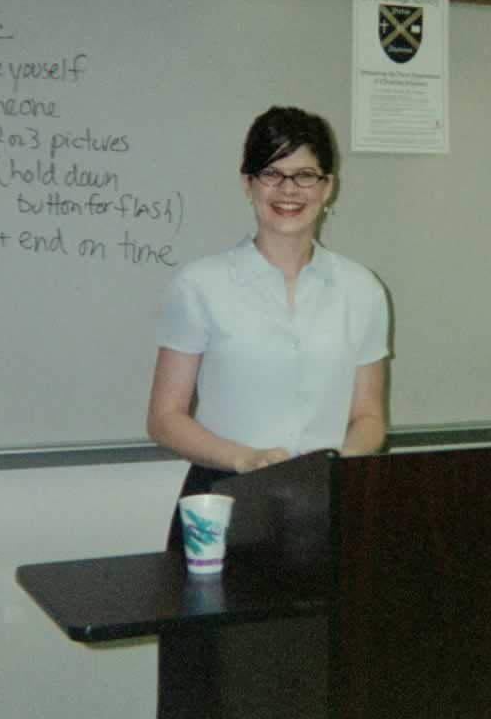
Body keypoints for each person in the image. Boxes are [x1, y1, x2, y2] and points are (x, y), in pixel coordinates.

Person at [145, 105, 390, 718]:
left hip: (326, 511)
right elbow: (165, 416)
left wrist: (335, 470)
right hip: (226, 505)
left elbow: (369, 417)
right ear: (248, 184)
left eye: (305, 175)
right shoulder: (202, 284)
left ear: (329, 187)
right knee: (218, 691)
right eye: (272, 174)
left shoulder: (362, 288)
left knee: (320, 687)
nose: (289, 191)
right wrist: (243, 458)